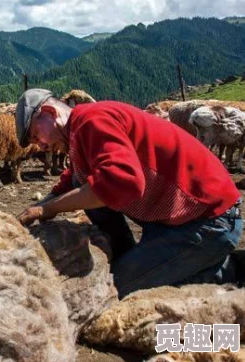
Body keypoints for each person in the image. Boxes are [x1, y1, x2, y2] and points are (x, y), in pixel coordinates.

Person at [15, 88, 242, 298]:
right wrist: (39, 208)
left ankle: (230, 270)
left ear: (49, 112)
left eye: (37, 135)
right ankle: (131, 257)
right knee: (79, 180)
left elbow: (123, 182)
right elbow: (72, 180)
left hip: (209, 219)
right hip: (174, 219)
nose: (42, 146)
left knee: (116, 292)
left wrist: (48, 208)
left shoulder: (92, 121)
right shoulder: (80, 131)